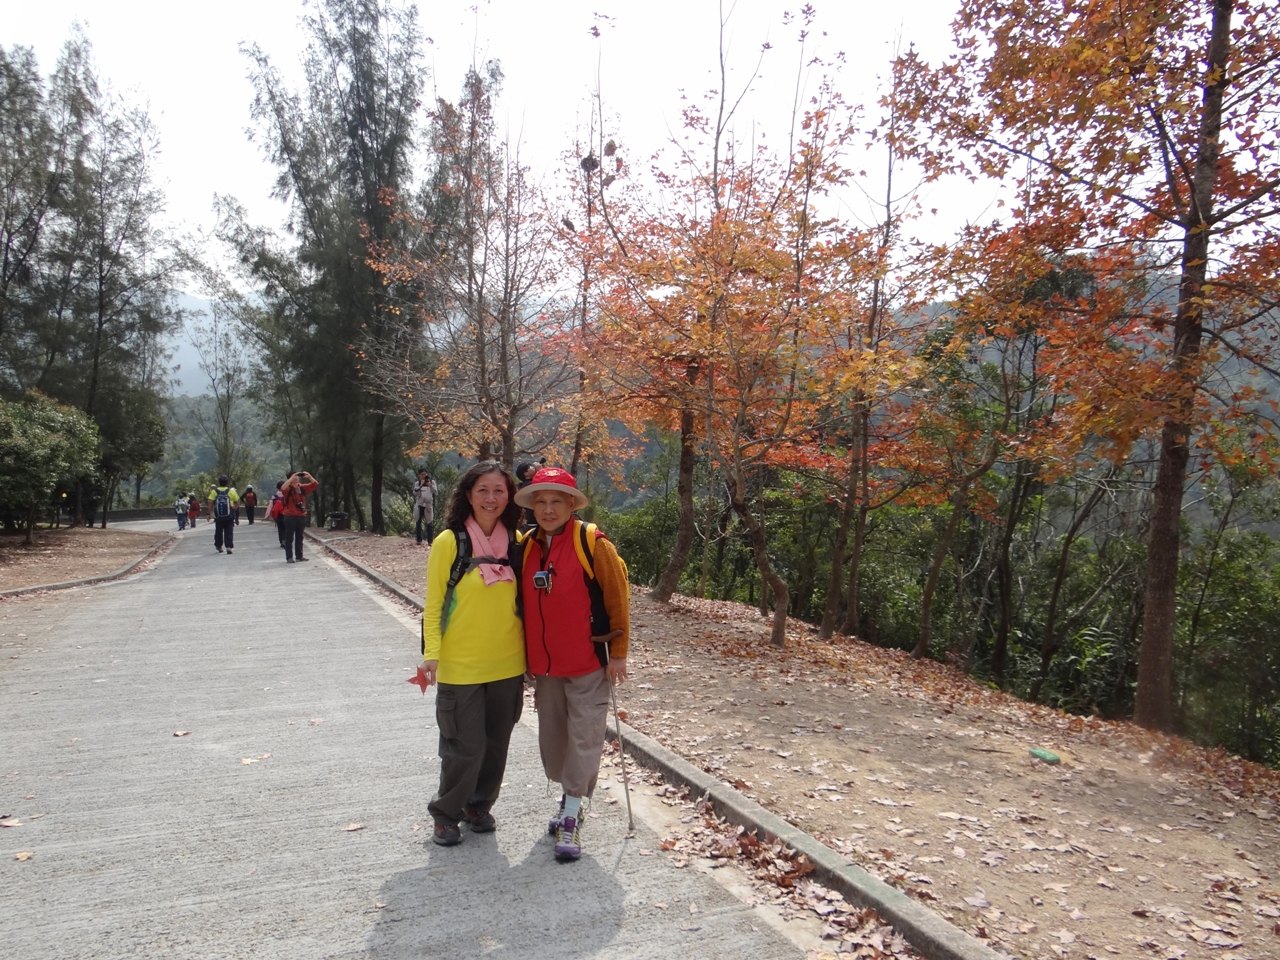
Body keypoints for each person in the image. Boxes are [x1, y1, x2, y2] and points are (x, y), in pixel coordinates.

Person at [515, 466, 630, 862]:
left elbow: (617, 598)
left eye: (556, 502)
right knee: (554, 742)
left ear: (571, 505)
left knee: (584, 737)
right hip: (546, 668)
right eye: (541, 502)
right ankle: (568, 798)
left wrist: (619, 653)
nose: (548, 509)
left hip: (588, 663)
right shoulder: (527, 547)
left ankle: (572, 814)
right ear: (532, 507)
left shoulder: (592, 543)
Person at [419, 461, 526, 847]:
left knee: (496, 744)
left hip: (508, 663)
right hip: (460, 665)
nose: (491, 498)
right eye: (482, 490)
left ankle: (479, 806)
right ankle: (446, 814)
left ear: (509, 496)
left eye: (499, 490)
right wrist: (431, 654)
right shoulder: (449, 542)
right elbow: (434, 604)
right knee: (464, 747)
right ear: (468, 494)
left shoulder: (516, 541)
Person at [279, 470, 318, 563]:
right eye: (294, 477)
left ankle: (299, 556)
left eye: (297, 477)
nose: (297, 479)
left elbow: (315, 484)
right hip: (290, 516)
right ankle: (289, 557)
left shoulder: (302, 488)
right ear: (290, 479)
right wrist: (291, 478)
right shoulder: (288, 489)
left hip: (301, 515)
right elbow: (283, 488)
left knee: (299, 537)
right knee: (289, 537)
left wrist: (309, 476)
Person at [206, 476, 241, 554]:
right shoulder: (231, 491)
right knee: (229, 530)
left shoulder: (214, 491)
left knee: (218, 531)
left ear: (219, 482)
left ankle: (219, 546)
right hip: (229, 515)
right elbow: (237, 501)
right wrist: (234, 508)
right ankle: (228, 546)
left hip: (219, 516)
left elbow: (210, 502)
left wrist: (208, 513)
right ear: (227, 482)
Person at [412, 468, 437, 545]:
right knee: (418, 522)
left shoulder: (432, 482)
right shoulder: (417, 483)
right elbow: (415, 493)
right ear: (419, 475)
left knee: (429, 523)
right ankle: (419, 540)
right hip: (420, 505)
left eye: (425, 474)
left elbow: (435, 492)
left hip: (428, 505)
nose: (424, 476)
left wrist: (430, 486)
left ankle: (430, 541)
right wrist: (421, 485)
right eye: (422, 474)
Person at [267, 480, 287, 548]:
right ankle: (284, 540)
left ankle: (281, 541)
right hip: (286, 514)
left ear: (277, 488)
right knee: (285, 528)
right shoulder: (286, 494)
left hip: (278, 515)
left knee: (280, 529)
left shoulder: (274, 496)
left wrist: (269, 515)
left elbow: (271, 506)